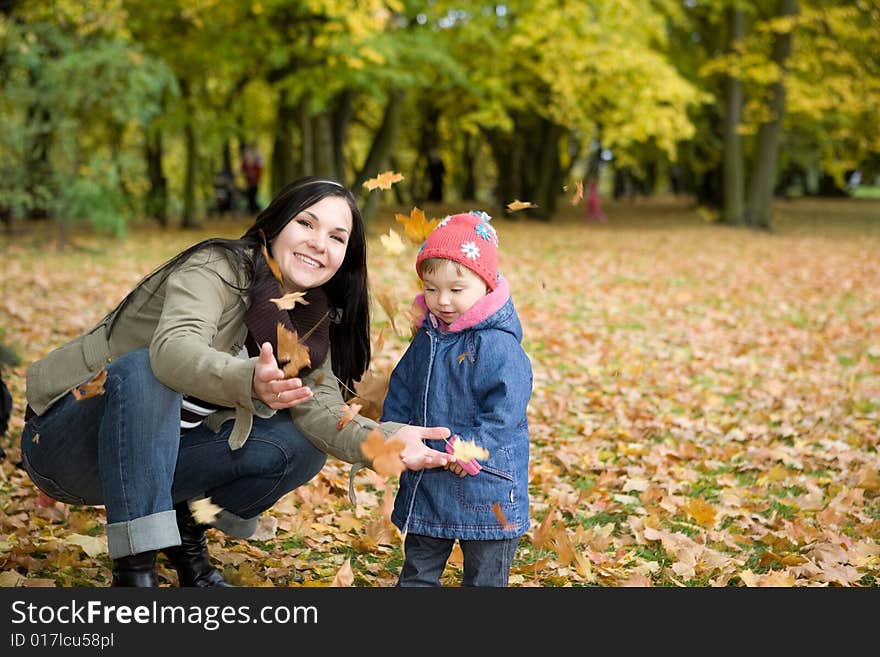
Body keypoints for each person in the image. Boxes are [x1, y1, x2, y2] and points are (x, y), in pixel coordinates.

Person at [20, 176, 454, 587]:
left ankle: (186, 530)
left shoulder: (310, 320)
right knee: (144, 371)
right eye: (306, 223)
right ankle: (135, 575)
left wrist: (388, 441)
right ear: (276, 224)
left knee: (302, 446)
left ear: (346, 256)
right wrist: (247, 380)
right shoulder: (218, 268)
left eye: (337, 237)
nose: (319, 244)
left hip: (160, 462)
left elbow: (323, 414)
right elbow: (172, 351)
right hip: (67, 446)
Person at [381, 211, 532, 587]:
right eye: (431, 289)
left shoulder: (496, 344)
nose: (442, 301)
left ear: (486, 284)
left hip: (486, 483)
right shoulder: (428, 337)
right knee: (418, 570)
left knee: (484, 577)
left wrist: (472, 449)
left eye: (456, 290)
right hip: (430, 477)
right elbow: (402, 387)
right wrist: (394, 432)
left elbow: (506, 411)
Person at [240, 142, 264, 213]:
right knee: (249, 193)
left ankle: (253, 208)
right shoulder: (246, 155)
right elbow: (243, 167)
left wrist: (254, 174)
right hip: (248, 178)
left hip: (255, 178)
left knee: (253, 192)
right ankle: (251, 208)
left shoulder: (257, 155)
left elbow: (260, 167)